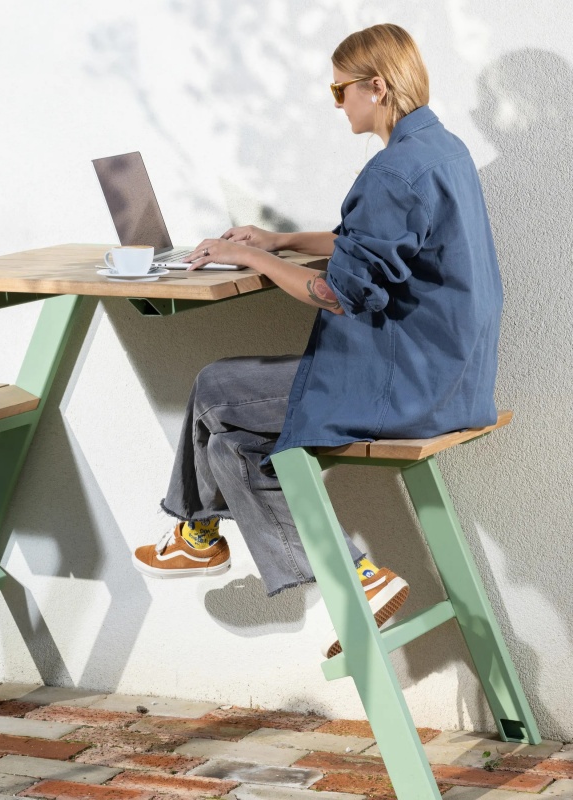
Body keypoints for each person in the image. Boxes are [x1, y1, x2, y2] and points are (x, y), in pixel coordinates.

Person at [132, 23, 503, 659]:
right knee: (230, 447)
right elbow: (371, 245)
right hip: (454, 377)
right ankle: (341, 572)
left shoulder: (393, 171)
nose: (337, 104)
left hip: (405, 385)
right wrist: (279, 241)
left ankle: (204, 536)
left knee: (215, 388)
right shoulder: (442, 150)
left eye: (339, 91)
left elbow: (336, 293)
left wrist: (246, 257)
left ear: (376, 87)